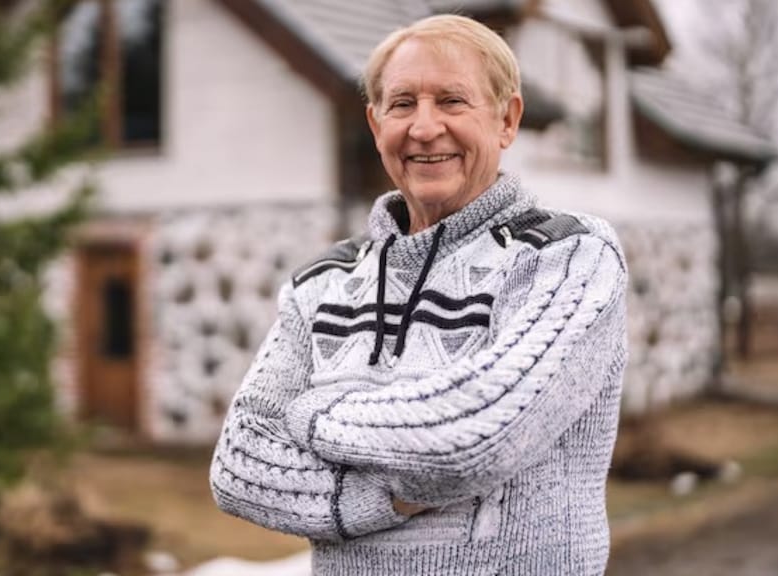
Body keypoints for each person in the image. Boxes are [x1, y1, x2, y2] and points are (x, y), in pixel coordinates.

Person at [210, 13, 628, 576]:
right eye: (402, 104)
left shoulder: (568, 255)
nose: (425, 128)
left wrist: (311, 413)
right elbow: (240, 464)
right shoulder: (321, 282)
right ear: (375, 123)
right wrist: (381, 498)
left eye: (452, 101)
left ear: (507, 120)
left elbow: (478, 435)